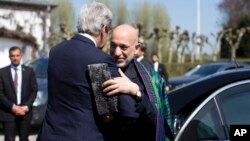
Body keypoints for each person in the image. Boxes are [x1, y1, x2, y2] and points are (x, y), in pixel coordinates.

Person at [36, 2, 139, 141]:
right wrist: (135, 90)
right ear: (103, 29)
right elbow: (113, 112)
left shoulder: (56, 52)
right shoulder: (98, 59)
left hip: (49, 135)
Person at [102, 24, 173, 141]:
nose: (117, 52)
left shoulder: (152, 79)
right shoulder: (101, 71)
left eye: (123, 47)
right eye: (113, 46)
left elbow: (158, 124)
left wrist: (136, 92)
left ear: (136, 48)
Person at [0, 46, 38, 141]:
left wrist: (26, 106)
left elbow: (34, 90)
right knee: (9, 138)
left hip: (25, 112)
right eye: (13, 56)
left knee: (24, 138)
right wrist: (12, 107)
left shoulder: (29, 71)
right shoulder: (2, 72)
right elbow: (0, 93)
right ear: (9, 56)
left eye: (17, 55)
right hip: (8, 112)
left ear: (21, 56)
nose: (15, 58)